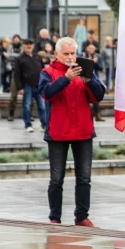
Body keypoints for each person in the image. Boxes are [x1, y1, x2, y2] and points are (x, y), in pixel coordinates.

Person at [39, 37, 104, 227]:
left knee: (84, 178)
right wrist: (66, 78)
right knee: (56, 179)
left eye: (73, 53)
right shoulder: (48, 72)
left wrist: (89, 81)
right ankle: (55, 218)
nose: (70, 57)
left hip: (83, 131)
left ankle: (82, 217)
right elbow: (47, 94)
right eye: (66, 53)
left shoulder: (84, 70)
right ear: (57, 54)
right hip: (58, 132)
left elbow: (98, 96)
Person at [15, 39, 47, 133]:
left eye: (30, 44)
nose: (29, 46)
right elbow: (16, 74)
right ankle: (28, 124)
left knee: (42, 106)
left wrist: (44, 83)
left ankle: (45, 124)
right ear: (23, 46)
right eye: (27, 44)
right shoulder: (20, 59)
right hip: (27, 85)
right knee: (27, 105)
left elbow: (43, 70)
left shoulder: (37, 57)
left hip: (38, 85)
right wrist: (19, 87)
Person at [83, 42, 105, 122]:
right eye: (89, 48)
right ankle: (91, 114)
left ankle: (97, 114)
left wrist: (94, 62)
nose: (91, 50)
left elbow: (101, 68)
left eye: (92, 48)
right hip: (84, 79)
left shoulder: (97, 56)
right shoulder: (83, 56)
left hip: (94, 78)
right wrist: (91, 62)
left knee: (96, 98)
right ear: (87, 48)